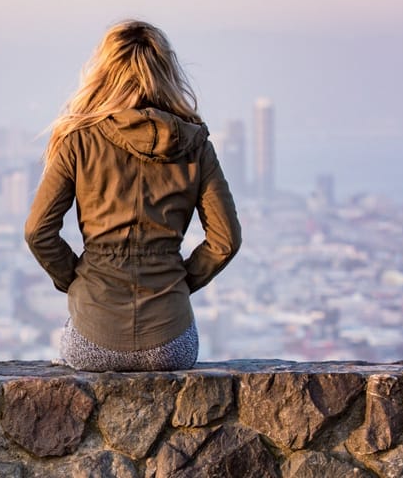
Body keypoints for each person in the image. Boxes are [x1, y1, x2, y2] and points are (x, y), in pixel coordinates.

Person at [24, 20, 241, 372]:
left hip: (93, 337)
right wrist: (180, 282)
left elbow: (37, 232)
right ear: (167, 72)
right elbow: (226, 240)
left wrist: (77, 279)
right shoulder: (196, 144)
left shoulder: (78, 141)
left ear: (104, 72)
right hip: (172, 342)